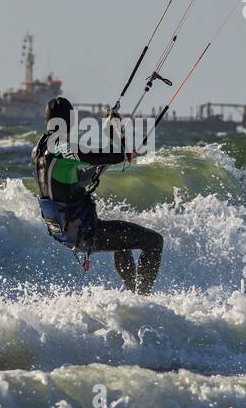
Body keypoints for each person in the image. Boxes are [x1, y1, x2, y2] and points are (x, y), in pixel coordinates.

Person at [33, 96, 163, 293]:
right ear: (71, 122)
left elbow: (67, 181)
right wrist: (114, 127)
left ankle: (134, 296)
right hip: (83, 233)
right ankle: (143, 297)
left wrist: (96, 168)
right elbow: (117, 155)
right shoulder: (63, 149)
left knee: (123, 242)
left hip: (60, 232)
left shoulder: (38, 150)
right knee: (154, 242)